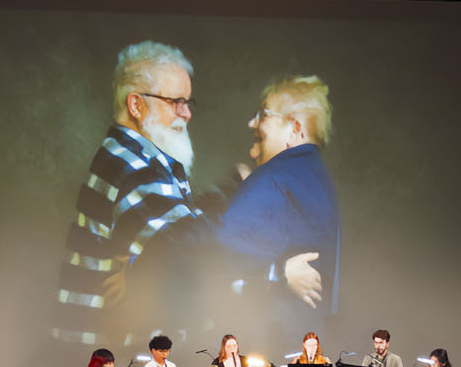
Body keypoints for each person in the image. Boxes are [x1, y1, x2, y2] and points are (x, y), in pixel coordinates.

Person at [54, 42, 323, 349]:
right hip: (104, 359)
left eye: (188, 101)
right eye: (175, 102)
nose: (187, 113)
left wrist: (234, 190)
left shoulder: (142, 158)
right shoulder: (133, 167)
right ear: (136, 105)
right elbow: (190, 259)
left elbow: (185, 229)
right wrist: (279, 273)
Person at [210, 76, 339, 339]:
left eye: (263, 114)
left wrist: (278, 272)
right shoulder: (318, 180)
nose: (252, 123)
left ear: (294, 128)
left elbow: (213, 256)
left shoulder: (274, 178)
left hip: (261, 337)